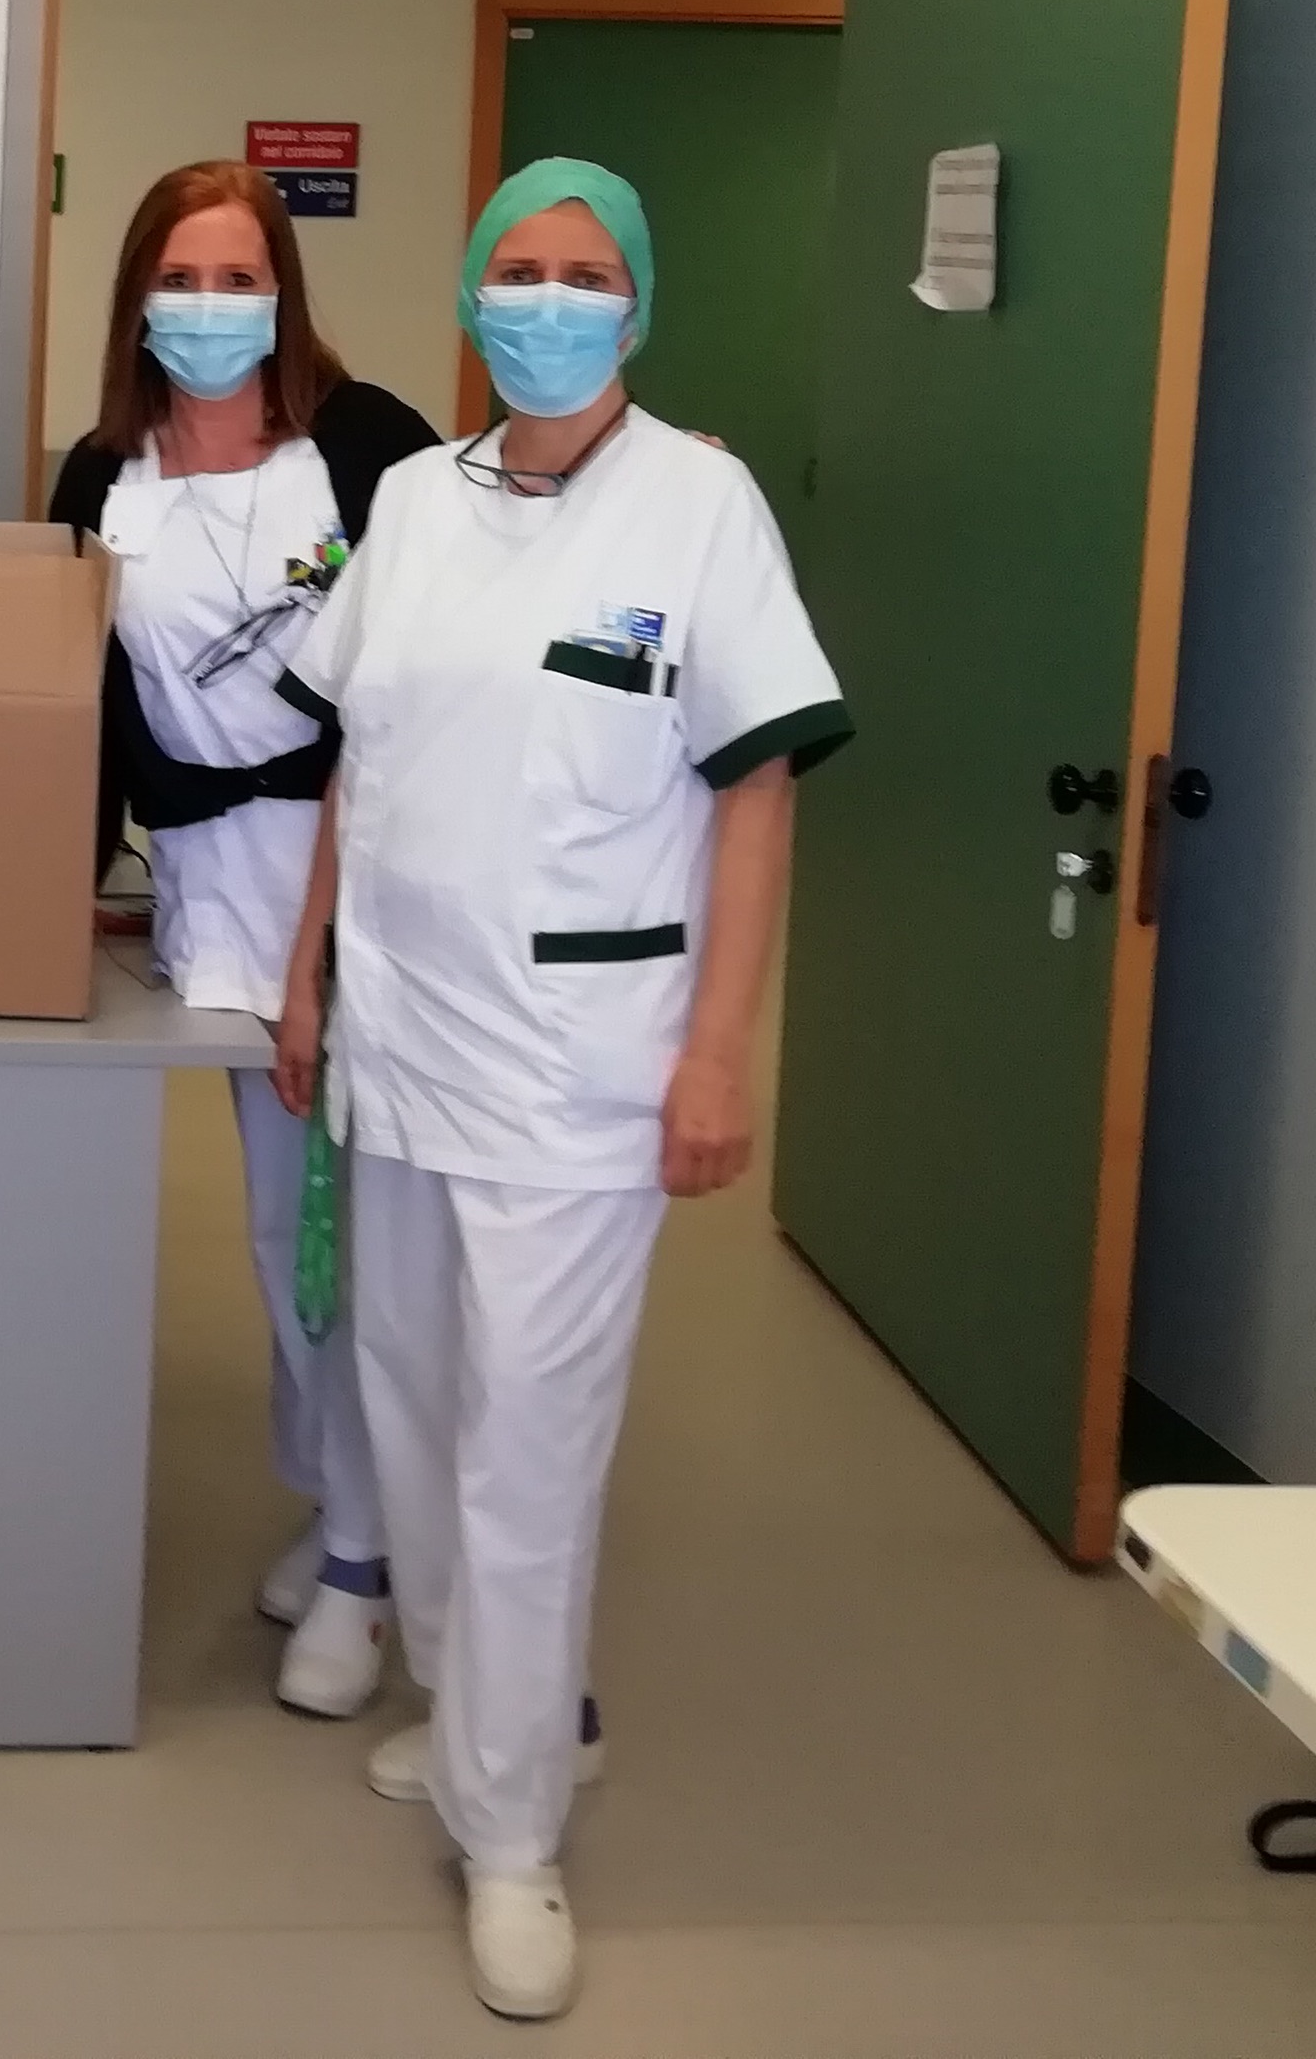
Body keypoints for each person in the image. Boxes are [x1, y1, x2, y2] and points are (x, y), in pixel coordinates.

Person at [270, 157, 847, 2022]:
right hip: (402, 1043)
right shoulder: (414, 500)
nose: (548, 300)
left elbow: (756, 790)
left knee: (528, 1447)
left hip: (584, 1067)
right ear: (469, 295)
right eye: (517, 268)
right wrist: (308, 976)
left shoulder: (701, 504)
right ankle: (479, 1717)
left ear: (638, 305)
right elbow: (356, 763)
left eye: (586, 274)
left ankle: (512, 1833)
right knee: (415, 1398)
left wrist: (718, 1052)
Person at [44, 162, 437, 1718]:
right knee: (287, 1234)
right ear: (137, 296)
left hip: (369, 894)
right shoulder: (102, 472)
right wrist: (49, 909)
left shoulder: (370, 445)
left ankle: (367, 1558)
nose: (210, 309)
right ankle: (347, 1509)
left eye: (239, 279)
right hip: (211, 898)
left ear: (285, 290)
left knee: (373, 1236)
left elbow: (416, 693)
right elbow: (77, 705)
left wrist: (323, 951)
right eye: (182, 280)